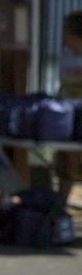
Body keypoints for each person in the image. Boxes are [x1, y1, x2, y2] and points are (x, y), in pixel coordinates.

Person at [55, 10, 81, 199]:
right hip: (66, 117)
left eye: (65, 31)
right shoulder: (66, 54)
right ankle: (61, 206)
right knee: (66, 163)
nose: (62, 36)